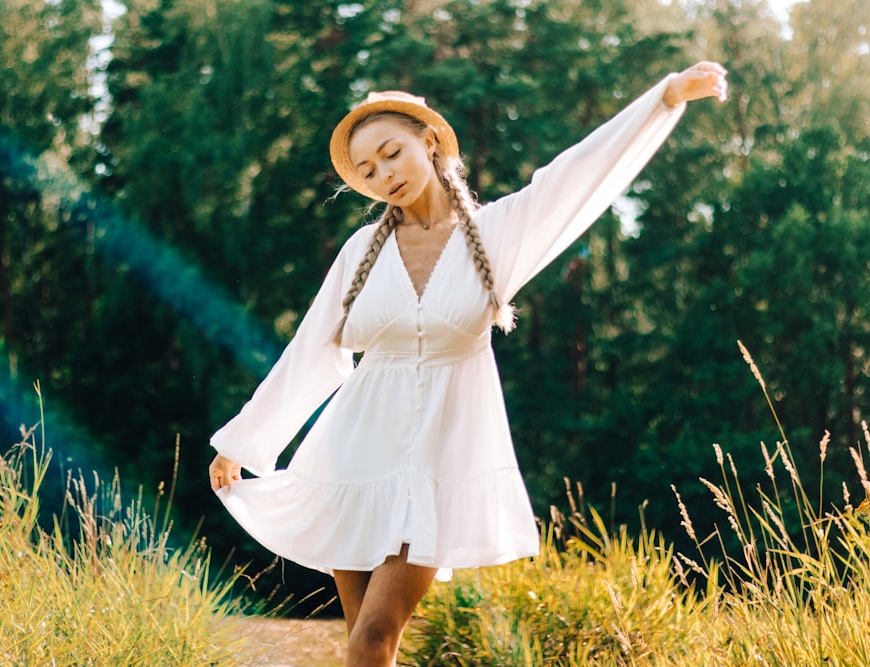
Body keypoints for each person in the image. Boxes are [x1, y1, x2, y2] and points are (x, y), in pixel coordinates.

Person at [209, 61, 728, 666]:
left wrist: (663, 96)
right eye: (368, 171)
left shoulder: (497, 233)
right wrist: (245, 443)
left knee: (376, 635)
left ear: (428, 141)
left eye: (392, 153)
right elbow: (311, 351)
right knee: (364, 645)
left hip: (437, 468)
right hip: (350, 460)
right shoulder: (360, 253)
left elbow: (576, 176)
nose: (384, 175)